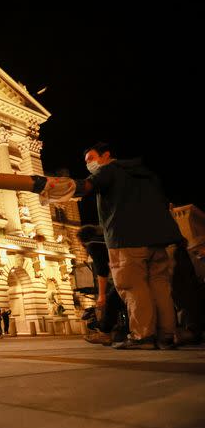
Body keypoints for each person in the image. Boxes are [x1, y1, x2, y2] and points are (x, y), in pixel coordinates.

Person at [80, 142, 183, 350]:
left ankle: (142, 336)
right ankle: (167, 336)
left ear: (106, 155)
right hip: (157, 239)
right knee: (160, 287)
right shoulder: (145, 173)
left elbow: (87, 185)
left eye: (90, 158)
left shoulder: (108, 170)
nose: (88, 164)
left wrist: (50, 187)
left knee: (133, 287)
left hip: (126, 239)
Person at [77, 224, 128, 345]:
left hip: (126, 270)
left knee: (111, 299)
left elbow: (102, 270)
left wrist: (101, 294)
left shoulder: (93, 244)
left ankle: (105, 334)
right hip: (135, 266)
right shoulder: (106, 239)